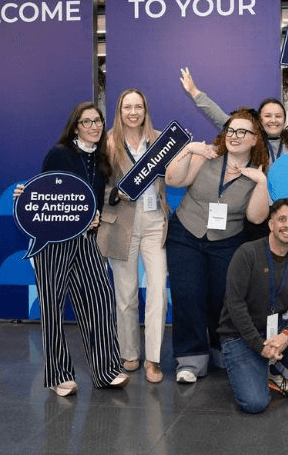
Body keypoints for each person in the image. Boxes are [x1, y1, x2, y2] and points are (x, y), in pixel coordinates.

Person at [14, 102, 129, 396]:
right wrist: (25, 195)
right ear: (75, 127)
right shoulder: (59, 153)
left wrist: (96, 217)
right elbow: (45, 193)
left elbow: (94, 202)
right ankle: (59, 375)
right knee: (52, 308)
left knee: (100, 298)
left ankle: (106, 370)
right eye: (86, 121)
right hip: (53, 243)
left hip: (86, 240)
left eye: (98, 121)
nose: (94, 126)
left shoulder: (101, 157)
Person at [165, 108, 270, 383]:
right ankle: (190, 360)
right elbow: (174, 180)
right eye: (231, 130)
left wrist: (261, 182)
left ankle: (220, 350)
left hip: (226, 242)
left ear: (255, 139)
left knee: (221, 299)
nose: (234, 136)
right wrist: (188, 150)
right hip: (185, 235)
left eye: (242, 132)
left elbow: (256, 217)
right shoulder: (207, 156)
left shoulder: (258, 172)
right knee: (188, 295)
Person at [217, 198, 288, 413]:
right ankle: (261, 365)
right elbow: (235, 305)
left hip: (273, 332)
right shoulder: (247, 253)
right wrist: (259, 346)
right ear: (271, 224)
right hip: (239, 336)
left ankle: (273, 370)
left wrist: (286, 335)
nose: (287, 225)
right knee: (255, 404)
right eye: (282, 219)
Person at [97, 89, 169, 383]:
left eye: (138, 106)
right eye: (127, 107)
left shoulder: (161, 140)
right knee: (125, 294)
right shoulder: (107, 143)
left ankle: (153, 359)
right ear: (119, 110)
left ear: (145, 109)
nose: (133, 112)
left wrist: (193, 150)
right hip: (121, 222)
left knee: (157, 290)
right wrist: (114, 193)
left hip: (154, 222)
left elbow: (177, 174)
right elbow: (95, 185)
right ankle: (129, 352)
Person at [179, 54, 288, 162]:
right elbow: (221, 118)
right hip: (262, 201)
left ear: (284, 119)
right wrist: (194, 92)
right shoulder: (251, 138)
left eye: (278, 116)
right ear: (260, 119)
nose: (273, 120)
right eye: (267, 116)